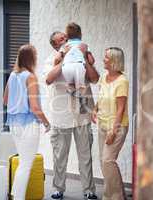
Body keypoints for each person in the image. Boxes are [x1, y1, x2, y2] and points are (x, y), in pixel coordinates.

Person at [43, 30, 99, 200]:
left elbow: (95, 78)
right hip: (61, 117)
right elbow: (48, 79)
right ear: (55, 45)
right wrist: (63, 58)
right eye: (61, 39)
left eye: (66, 38)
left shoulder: (81, 54)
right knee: (59, 156)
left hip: (82, 116)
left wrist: (84, 58)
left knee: (85, 156)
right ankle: (58, 188)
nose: (66, 40)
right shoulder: (50, 59)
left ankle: (89, 190)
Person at [3, 44, 50, 200]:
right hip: (28, 124)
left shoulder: (12, 75)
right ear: (31, 58)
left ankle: (15, 195)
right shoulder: (30, 77)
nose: (36, 58)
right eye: (35, 55)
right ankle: (18, 198)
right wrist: (46, 123)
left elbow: (5, 100)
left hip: (14, 124)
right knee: (25, 165)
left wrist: (18, 100)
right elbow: (35, 107)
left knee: (23, 163)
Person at [91, 47, 129, 200]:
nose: (103, 60)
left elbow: (121, 110)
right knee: (104, 162)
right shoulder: (104, 77)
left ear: (114, 61)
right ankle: (114, 195)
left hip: (116, 126)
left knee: (108, 160)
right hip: (102, 124)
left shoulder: (122, 81)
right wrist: (95, 109)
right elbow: (101, 98)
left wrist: (114, 131)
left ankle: (116, 197)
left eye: (106, 57)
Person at [53, 22, 95, 114]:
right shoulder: (84, 45)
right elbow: (91, 61)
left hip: (67, 68)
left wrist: (59, 60)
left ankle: (72, 95)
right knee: (81, 87)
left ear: (67, 36)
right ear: (81, 35)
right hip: (80, 67)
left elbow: (56, 60)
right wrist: (88, 58)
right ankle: (82, 102)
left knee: (70, 86)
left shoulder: (65, 46)